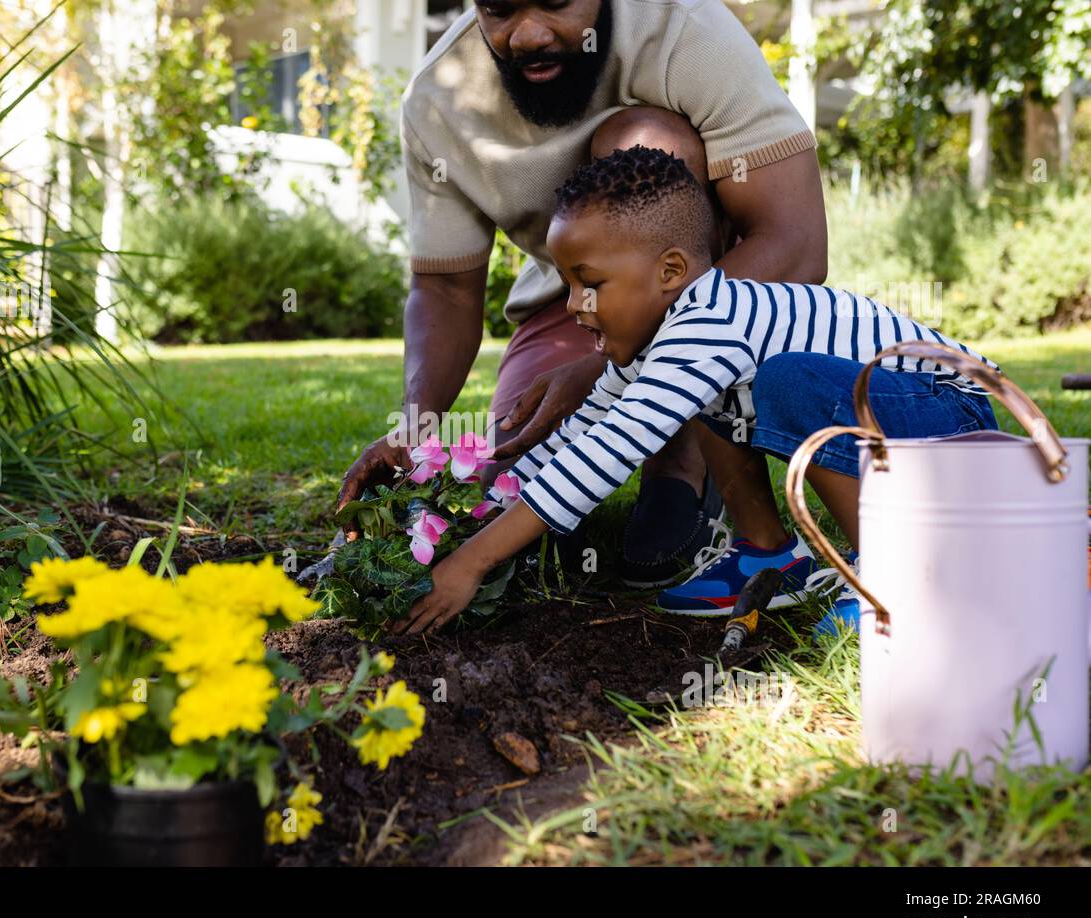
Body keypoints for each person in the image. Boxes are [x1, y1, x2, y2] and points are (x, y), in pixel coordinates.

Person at [388, 146, 1000, 639]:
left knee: (786, 380)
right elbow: (584, 436)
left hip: (947, 414)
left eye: (590, 283)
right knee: (716, 398)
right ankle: (769, 556)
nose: (574, 305)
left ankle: (890, 577)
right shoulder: (668, 338)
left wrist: (472, 563)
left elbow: (603, 459)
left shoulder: (709, 325)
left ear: (672, 272)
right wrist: (470, 512)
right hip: (898, 420)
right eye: (567, 284)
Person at [336, 0, 828, 587]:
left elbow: (795, 244)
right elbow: (446, 292)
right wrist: (416, 425)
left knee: (643, 138)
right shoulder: (437, 99)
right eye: (498, 8)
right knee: (502, 489)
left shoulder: (686, 31)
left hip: (716, 290)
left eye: (557, 1)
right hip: (568, 302)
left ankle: (682, 455)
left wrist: (607, 373)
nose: (529, 34)